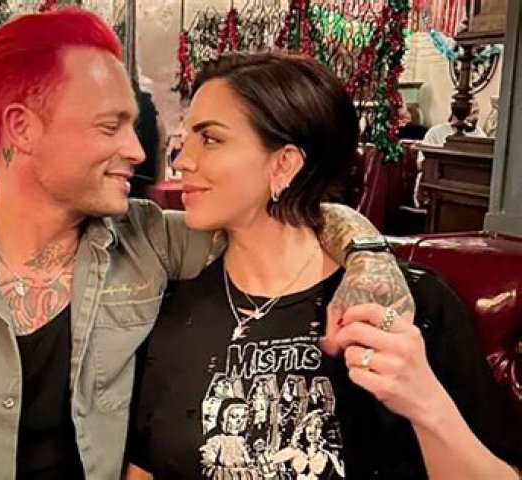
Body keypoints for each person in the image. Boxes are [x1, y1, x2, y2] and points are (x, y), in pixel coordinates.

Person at [0, 10, 413, 480]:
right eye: (110, 126)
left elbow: (292, 215)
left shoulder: (154, 239)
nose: (138, 150)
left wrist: (369, 260)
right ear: (22, 129)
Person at [127, 53, 522, 479]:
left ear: (284, 163)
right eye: (187, 136)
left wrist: (425, 403)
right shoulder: (175, 308)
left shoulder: (408, 307)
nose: (181, 160)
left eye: (210, 139)